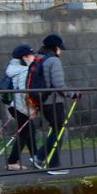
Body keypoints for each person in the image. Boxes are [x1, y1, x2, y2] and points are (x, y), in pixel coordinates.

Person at [32, 33, 76, 175]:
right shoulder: (54, 61)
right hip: (53, 101)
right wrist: (72, 94)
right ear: (56, 47)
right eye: (59, 48)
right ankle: (53, 165)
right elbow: (59, 85)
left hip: (42, 101)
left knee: (56, 130)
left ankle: (39, 156)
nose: (61, 51)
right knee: (59, 132)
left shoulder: (39, 59)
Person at [5, 45, 38, 170]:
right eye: (31, 55)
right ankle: (12, 162)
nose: (33, 57)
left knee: (30, 131)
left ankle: (36, 157)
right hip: (22, 107)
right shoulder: (24, 70)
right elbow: (25, 92)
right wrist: (32, 108)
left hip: (15, 106)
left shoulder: (13, 69)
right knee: (24, 133)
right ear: (24, 57)